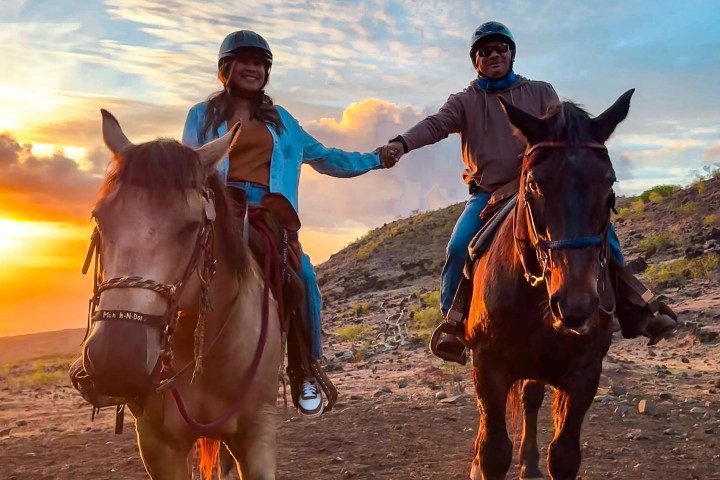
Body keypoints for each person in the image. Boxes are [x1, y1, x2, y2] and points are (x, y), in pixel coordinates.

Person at [379, 21, 677, 363]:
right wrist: (401, 143)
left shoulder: (540, 91)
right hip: (489, 193)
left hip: (542, 187)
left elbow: (561, 132)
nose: (493, 55)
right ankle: (454, 323)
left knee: (604, 236)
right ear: (475, 60)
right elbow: (435, 125)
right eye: (484, 51)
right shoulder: (464, 101)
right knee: (459, 246)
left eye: (500, 48)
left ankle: (637, 308)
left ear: (511, 54)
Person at [182, 30, 389, 416]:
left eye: (260, 63)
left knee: (303, 278)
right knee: (167, 267)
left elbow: (326, 157)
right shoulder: (200, 116)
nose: (253, 69)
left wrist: (376, 158)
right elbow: (189, 167)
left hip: (269, 212)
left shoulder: (282, 122)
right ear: (225, 68)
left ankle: (304, 370)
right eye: (245, 61)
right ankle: (144, 362)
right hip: (218, 209)